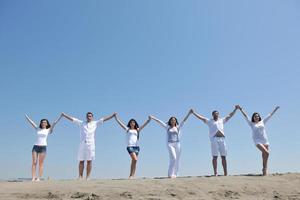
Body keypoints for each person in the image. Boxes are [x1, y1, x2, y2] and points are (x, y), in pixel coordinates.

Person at [61, 111, 115, 180]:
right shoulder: (82, 123)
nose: (89, 117)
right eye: (88, 116)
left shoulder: (95, 123)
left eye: (90, 116)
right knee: (81, 160)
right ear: (86, 117)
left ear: (92, 117)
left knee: (89, 161)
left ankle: (88, 176)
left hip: (91, 144)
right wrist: (64, 115)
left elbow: (104, 119)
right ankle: (80, 176)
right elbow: (72, 119)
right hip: (82, 144)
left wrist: (112, 115)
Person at [191, 106, 238, 176]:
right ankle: (215, 173)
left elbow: (229, 115)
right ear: (212, 115)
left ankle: (225, 173)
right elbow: (201, 118)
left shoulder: (221, 120)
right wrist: (194, 113)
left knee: (223, 156)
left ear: (218, 114)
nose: (216, 114)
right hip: (214, 139)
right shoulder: (209, 121)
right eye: (214, 114)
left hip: (222, 139)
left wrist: (235, 109)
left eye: (217, 113)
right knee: (215, 156)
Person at [237, 105, 280, 175]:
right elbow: (246, 116)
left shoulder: (262, 121)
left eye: (257, 116)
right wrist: (241, 109)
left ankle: (264, 170)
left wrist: (275, 109)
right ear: (253, 118)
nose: (256, 117)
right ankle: (264, 168)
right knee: (267, 153)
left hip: (265, 140)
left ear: (259, 117)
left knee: (264, 156)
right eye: (255, 116)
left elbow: (270, 115)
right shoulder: (251, 124)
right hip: (257, 141)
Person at [149, 110, 192, 178]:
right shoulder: (167, 127)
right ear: (170, 121)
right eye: (171, 120)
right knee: (174, 158)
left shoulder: (178, 127)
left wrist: (189, 113)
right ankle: (170, 174)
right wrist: (153, 117)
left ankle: (176, 174)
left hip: (177, 144)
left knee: (177, 159)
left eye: (174, 120)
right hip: (170, 144)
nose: (173, 121)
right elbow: (160, 122)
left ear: (175, 121)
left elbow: (184, 120)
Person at [25, 114, 62, 181]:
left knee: (40, 163)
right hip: (35, 147)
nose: (43, 123)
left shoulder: (48, 130)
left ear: (47, 123)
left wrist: (60, 116)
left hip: (43, 147)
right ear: (41, 123)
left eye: (45, 122)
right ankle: (33, 177)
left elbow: (54, 123)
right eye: (42, 122)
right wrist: (27, 118)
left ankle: (39, 178)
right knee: (34, 162)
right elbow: (32, 123)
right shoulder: (38, 129)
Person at [113, 114, 151, 178]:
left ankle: (132, 175)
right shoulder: (127, 129)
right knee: (135, 159)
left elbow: (144, 125)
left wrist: (148, 120)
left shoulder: (137, 130)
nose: (132, 123)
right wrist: (116, 118)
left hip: (136, 147)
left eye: (133, 122)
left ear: (135, 123)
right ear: (129, 123)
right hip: (130, 146)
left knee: (134, 161)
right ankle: (131, 175)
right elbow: (120, 124)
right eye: (131, 122)